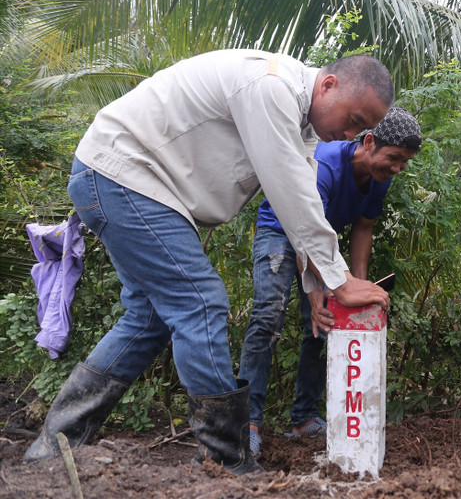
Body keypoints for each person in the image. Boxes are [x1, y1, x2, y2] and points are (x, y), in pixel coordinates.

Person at [24, 50, 394, 475]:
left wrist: (319, 285)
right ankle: (228, 459)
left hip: (137, 186)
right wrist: (341, 279)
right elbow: (291, 191)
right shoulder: (271, 86)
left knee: (148, 319)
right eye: (355, 119)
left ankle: (57, 445)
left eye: (363, 128)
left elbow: (303, 201)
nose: (352, 133)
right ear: (328, 85)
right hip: (123, 174)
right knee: (200, 302)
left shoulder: (301, 121)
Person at [238, 106, 421, 457]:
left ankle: (304, 418)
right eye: (395, 158)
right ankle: (247, 423)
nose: (397, 168)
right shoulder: (323, 165)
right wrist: (317, 294)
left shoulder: (381, 178)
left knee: (325, 324)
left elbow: (363, 228)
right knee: (268, 317)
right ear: (369, 142)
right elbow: (303, 233)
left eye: (404, 162)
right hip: (281, 232)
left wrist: (358, 288)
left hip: (322, 243)